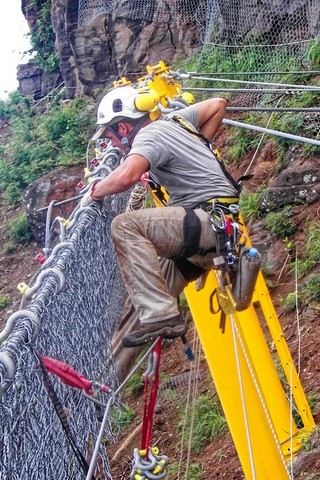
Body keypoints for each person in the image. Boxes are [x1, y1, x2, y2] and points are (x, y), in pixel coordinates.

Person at [81, 85, 239, 348]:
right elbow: (218, 104)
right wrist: (199, 146)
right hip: (217, 230)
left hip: (205, 223)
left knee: (124, 226)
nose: (114, 145)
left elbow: (127, 175)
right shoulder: (176, 121)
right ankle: (108, 377)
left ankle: (162, 316)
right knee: (143, 301)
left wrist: (95, 192)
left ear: (123, 128)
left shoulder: (149, 136)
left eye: (111, 137)